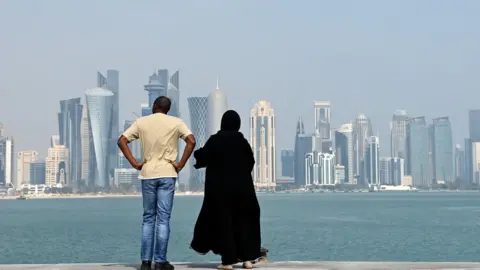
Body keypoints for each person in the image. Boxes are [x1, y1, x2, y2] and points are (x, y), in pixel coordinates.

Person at [117, 96, 196, 270]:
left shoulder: (141, 122)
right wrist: (181, 164)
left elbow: (121, 140)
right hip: (168, 173)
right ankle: (160, 261)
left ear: (154, 107)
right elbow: (191, 140)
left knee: (148, 219)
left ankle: (145, 262)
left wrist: (134, 162)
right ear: (168, 109)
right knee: (163, 219)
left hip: (147, 174)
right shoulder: (176, 122)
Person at [190, 110, 262, 270]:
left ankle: (228, 261)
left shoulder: (215, 140)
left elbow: (202, 158)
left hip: (220, 192)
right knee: (244, 222)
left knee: (225, 223)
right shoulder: (242, 141)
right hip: (244, 191)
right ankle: (248, 259)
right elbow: (251, 162)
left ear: (223, 123)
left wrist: (197, 152)